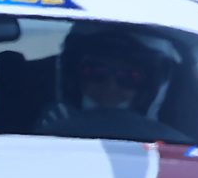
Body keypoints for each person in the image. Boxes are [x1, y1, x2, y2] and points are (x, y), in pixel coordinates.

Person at [39, 24, 176, 139]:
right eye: (95, 72)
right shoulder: (47, 133)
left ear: (147, 89)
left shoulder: (168, 145)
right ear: (73, 78)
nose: (110, 88)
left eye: (129, 77)